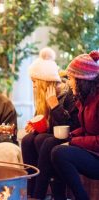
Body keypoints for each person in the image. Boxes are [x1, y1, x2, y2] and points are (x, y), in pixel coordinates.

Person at [21, 47, 80, 199]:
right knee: (28, 139)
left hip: (72, 135)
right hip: (53, 134)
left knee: (44, 141)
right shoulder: (44, 95)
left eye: (35, 82)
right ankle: (30, 192)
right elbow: (45, 124)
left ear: (44, 81)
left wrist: (54, 106)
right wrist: (34, 126)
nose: (33, 86)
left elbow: (71, 125)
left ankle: (39, 194)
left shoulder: (67, 93)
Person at [51, 50, 99, 200]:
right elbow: (87, 129)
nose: (68, 82)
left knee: (60, 152)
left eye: (70, 78)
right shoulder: (86, 99)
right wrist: (72, 135)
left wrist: (72, 141)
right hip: (93, 152)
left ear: (81, 80)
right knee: (53, 144)